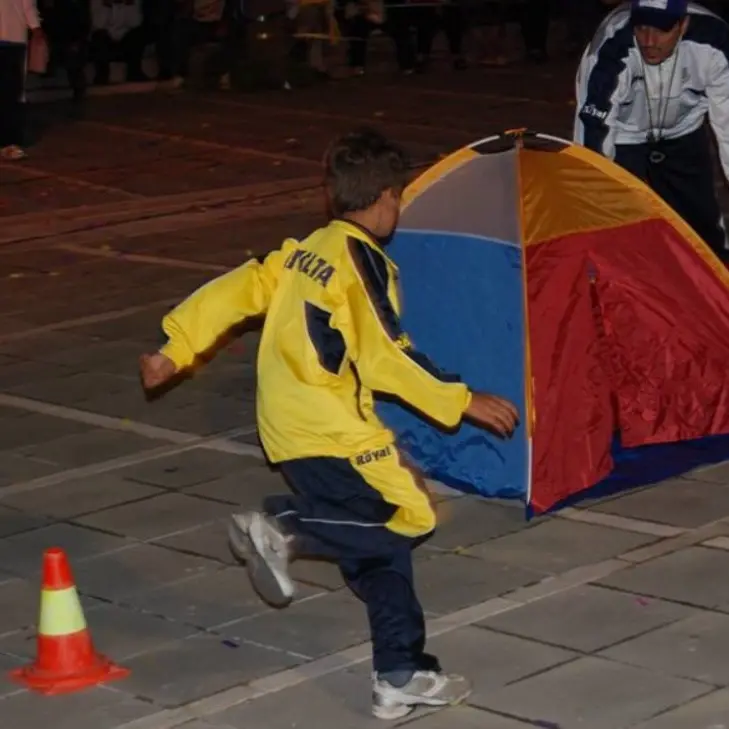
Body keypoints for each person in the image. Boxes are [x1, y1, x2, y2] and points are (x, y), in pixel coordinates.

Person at [139, 128, 519, 720]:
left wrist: (176, 345)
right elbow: (385, 353)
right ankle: (286, 528)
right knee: (411, 512)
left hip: (286, 425)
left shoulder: (304, 248)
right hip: (330, 425)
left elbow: (240, 287)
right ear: (388, 197)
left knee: (375, 546)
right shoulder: (359, 258)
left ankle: (398, 674)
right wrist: (461, 399)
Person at [574, 0, 729, 258]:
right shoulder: (612, 48)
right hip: (623, 134)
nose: (648, 40)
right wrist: (597, 201)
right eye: (642, 27)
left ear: (683, 24)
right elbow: (594, 134)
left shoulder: (715, 41)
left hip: (683, 127)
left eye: (661, 30)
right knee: (620, 228)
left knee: (704, 233)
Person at [0, 0, 44, 159]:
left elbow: (28, 5)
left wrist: (36, 27)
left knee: (11, 93)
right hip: (13, 41)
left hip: (13, 40)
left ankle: (9, 142)